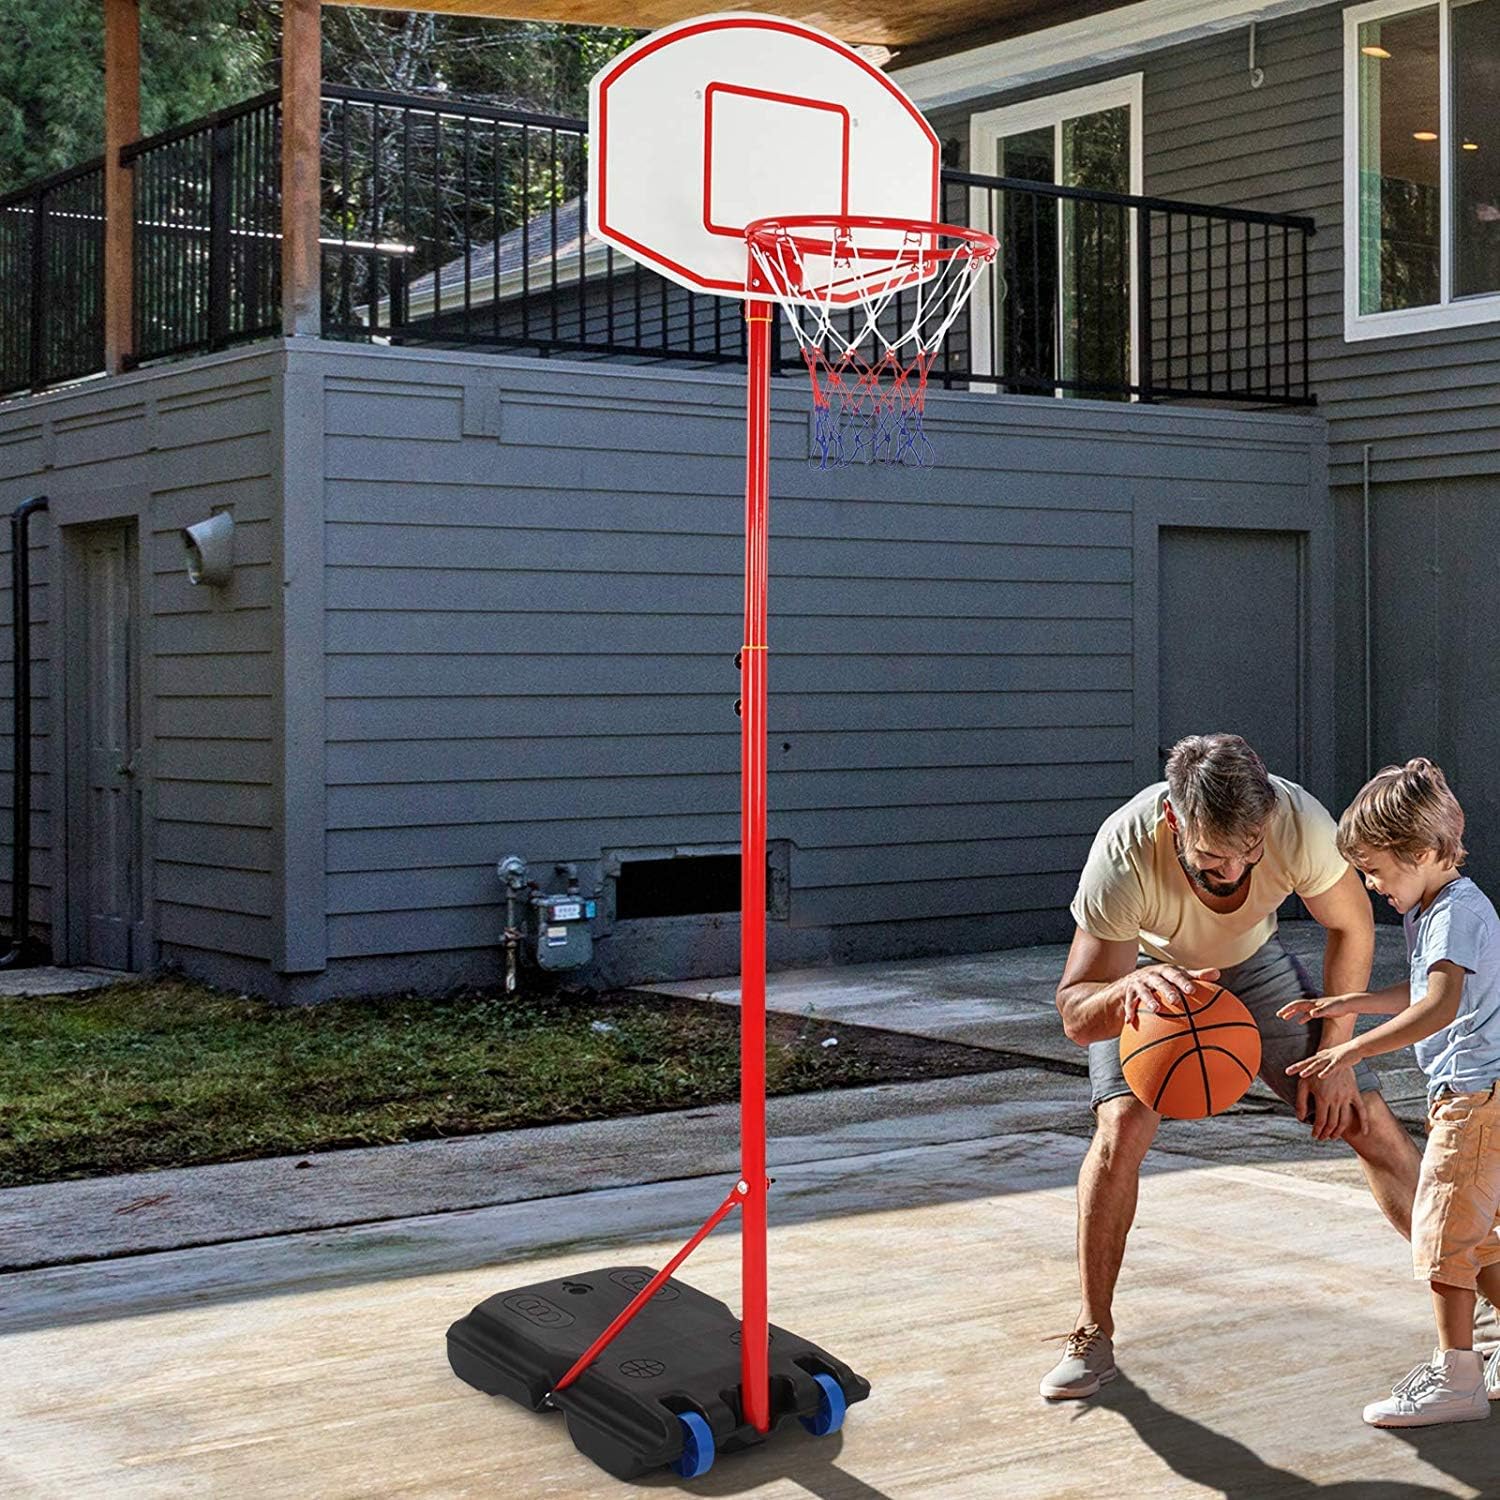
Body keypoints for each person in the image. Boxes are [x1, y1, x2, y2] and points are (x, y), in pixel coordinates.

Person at [1040, 733, 1423, 1400]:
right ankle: (1092, 1330)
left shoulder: (1297, 823)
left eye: (1251, 852)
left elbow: (1354, 928)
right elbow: (1076, 1014)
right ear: (1174, 823)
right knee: (1121, 1130)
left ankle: (1488, 1291)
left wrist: (1334, 1052)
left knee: (1363, 1117)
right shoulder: (1125, 850)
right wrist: (1125, 990)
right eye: (1216, 857)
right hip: (1149, 979)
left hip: (1253, 967)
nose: (1237, 872)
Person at [1281, 758, 1500, 1427]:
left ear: (1426, 852)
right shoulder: (1439, 907)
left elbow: (1439, 1008)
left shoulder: (1455, 912)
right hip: (1475, 1095)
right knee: (1479, 1237)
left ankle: (1456, 1377)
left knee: (1439, 1236)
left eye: (1376, 870)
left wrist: (1352, 1048)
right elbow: (1421, 994)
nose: (1371, 885)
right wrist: (1345, 1003)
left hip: (1472, 1098)